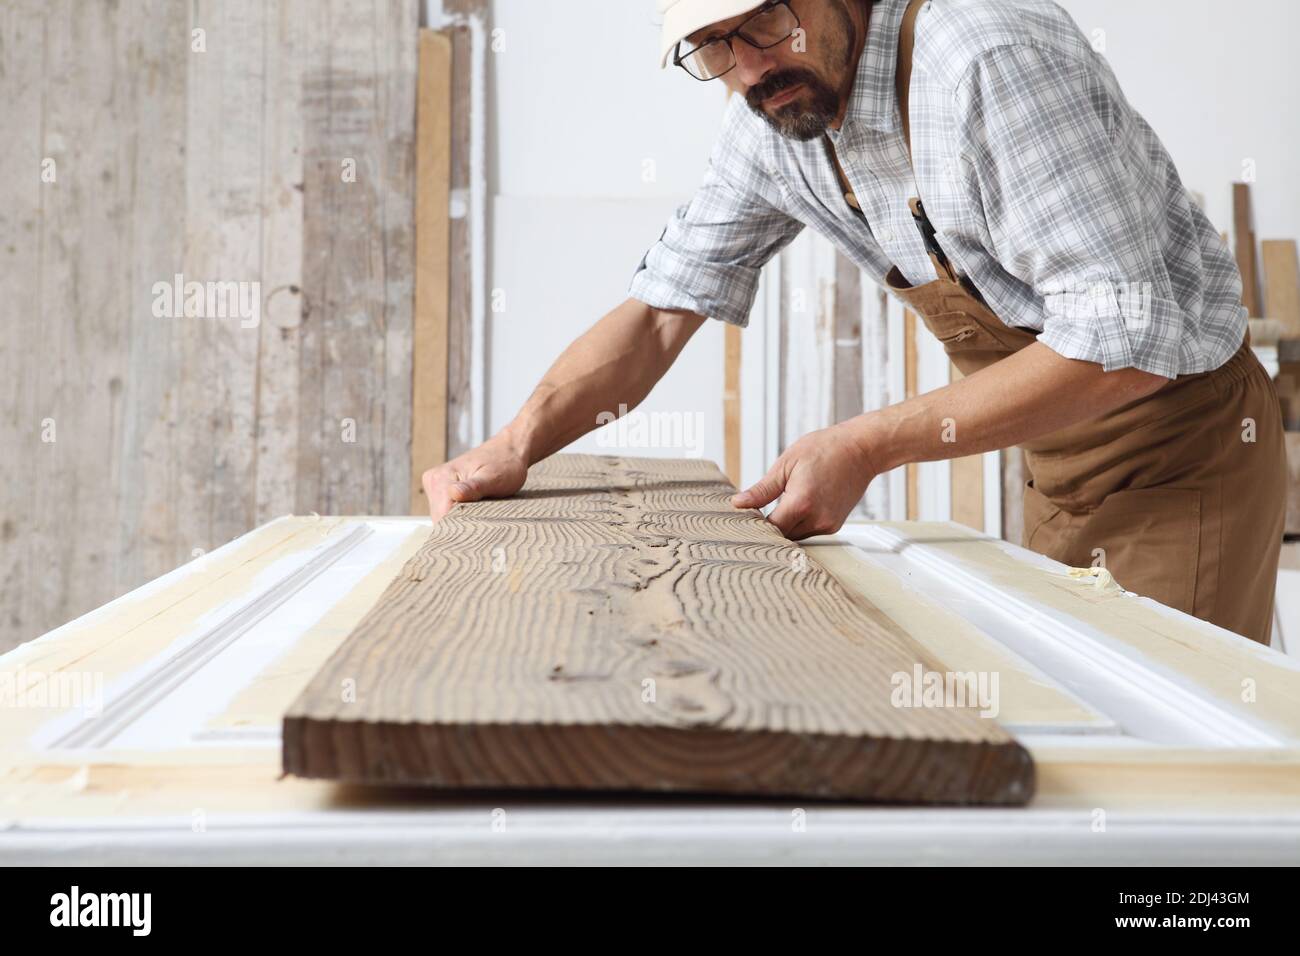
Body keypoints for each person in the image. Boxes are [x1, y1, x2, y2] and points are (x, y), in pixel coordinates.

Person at [421, 0, 1286, 644]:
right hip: (1057, 463)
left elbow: (1124, 347)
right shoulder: (770, 120)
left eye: (762, 23)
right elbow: (657, 315)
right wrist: (516, 444)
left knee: (1163, 770)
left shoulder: (988, 59)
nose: (748, 68)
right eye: (711, 46)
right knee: (1082, 747)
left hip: (1184, 450)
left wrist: (866, 446)